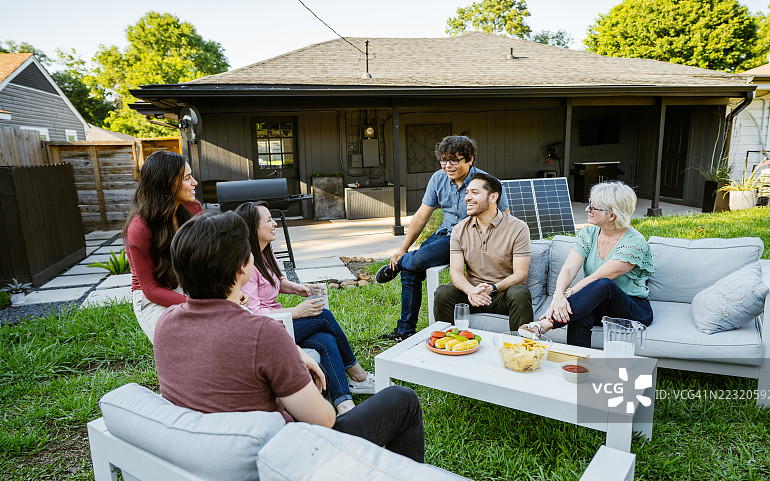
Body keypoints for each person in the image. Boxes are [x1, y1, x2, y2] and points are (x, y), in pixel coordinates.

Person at [153, 211, 425, 462]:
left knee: (324, 343)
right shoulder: (263, 334)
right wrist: (290, 358)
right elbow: (323, 419)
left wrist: (295, 351)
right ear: (242, 268)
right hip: (285, 461)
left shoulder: (165, 323)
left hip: (212, 457)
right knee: (402, 399)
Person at [234, 201, 376, 415]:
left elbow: (276, 280)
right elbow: (253, 314)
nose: (274, 224)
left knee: (326, 340)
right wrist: (297, 312)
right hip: (265, 331)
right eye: (269, 220)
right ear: (253, 228)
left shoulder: (266, 250)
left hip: (282, 323)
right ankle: (357, 373)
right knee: (324, 317)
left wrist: (298, 289)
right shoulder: (245, 264)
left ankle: (344, 405)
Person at [376, 135, 508, 341]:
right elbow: (421, 215)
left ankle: (401, 263)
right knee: (411, 270)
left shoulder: (487, 183)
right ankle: (405, 331)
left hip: (469, 238)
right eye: (444, 160)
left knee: (416, 260)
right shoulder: (438, 178)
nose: (448, 165)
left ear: (470, 159)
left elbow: (505, 217)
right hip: (445, 234)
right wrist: (403, 247)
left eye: (454, 160)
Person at [520, 181, 654, 347]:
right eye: (589, 204)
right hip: (598, 304)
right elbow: (569, 269)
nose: (587, 209)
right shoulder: (588, 233)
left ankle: (545, 324)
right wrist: (557, 296)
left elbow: (600, 277)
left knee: (604, 284)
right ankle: (577, 368)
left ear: (612, 216)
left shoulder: (635, 242)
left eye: (593, 207)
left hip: (632, 308)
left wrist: (567, 296)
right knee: (580, 313)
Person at [433, 173, 532, 330]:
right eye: (467, 192)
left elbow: (521, 275)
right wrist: (472, 291)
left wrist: (492, 288)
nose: (467, 198)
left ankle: (519, 349)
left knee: (519, 293)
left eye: (475, 193)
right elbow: (456, 273)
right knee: (443, 293)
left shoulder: (518, 228)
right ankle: (448, 343)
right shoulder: (459, 230)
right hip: (471, 294)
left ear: (493, 198)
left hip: (501, 294)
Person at [124, 150, 203, 342]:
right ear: (168, 184)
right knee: (179, 344)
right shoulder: (139, 228)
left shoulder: (193, 209)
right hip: (154, 297)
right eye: (187, 178)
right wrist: (200, 303)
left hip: (188, 285)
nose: (195, 183)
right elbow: (151, 290)